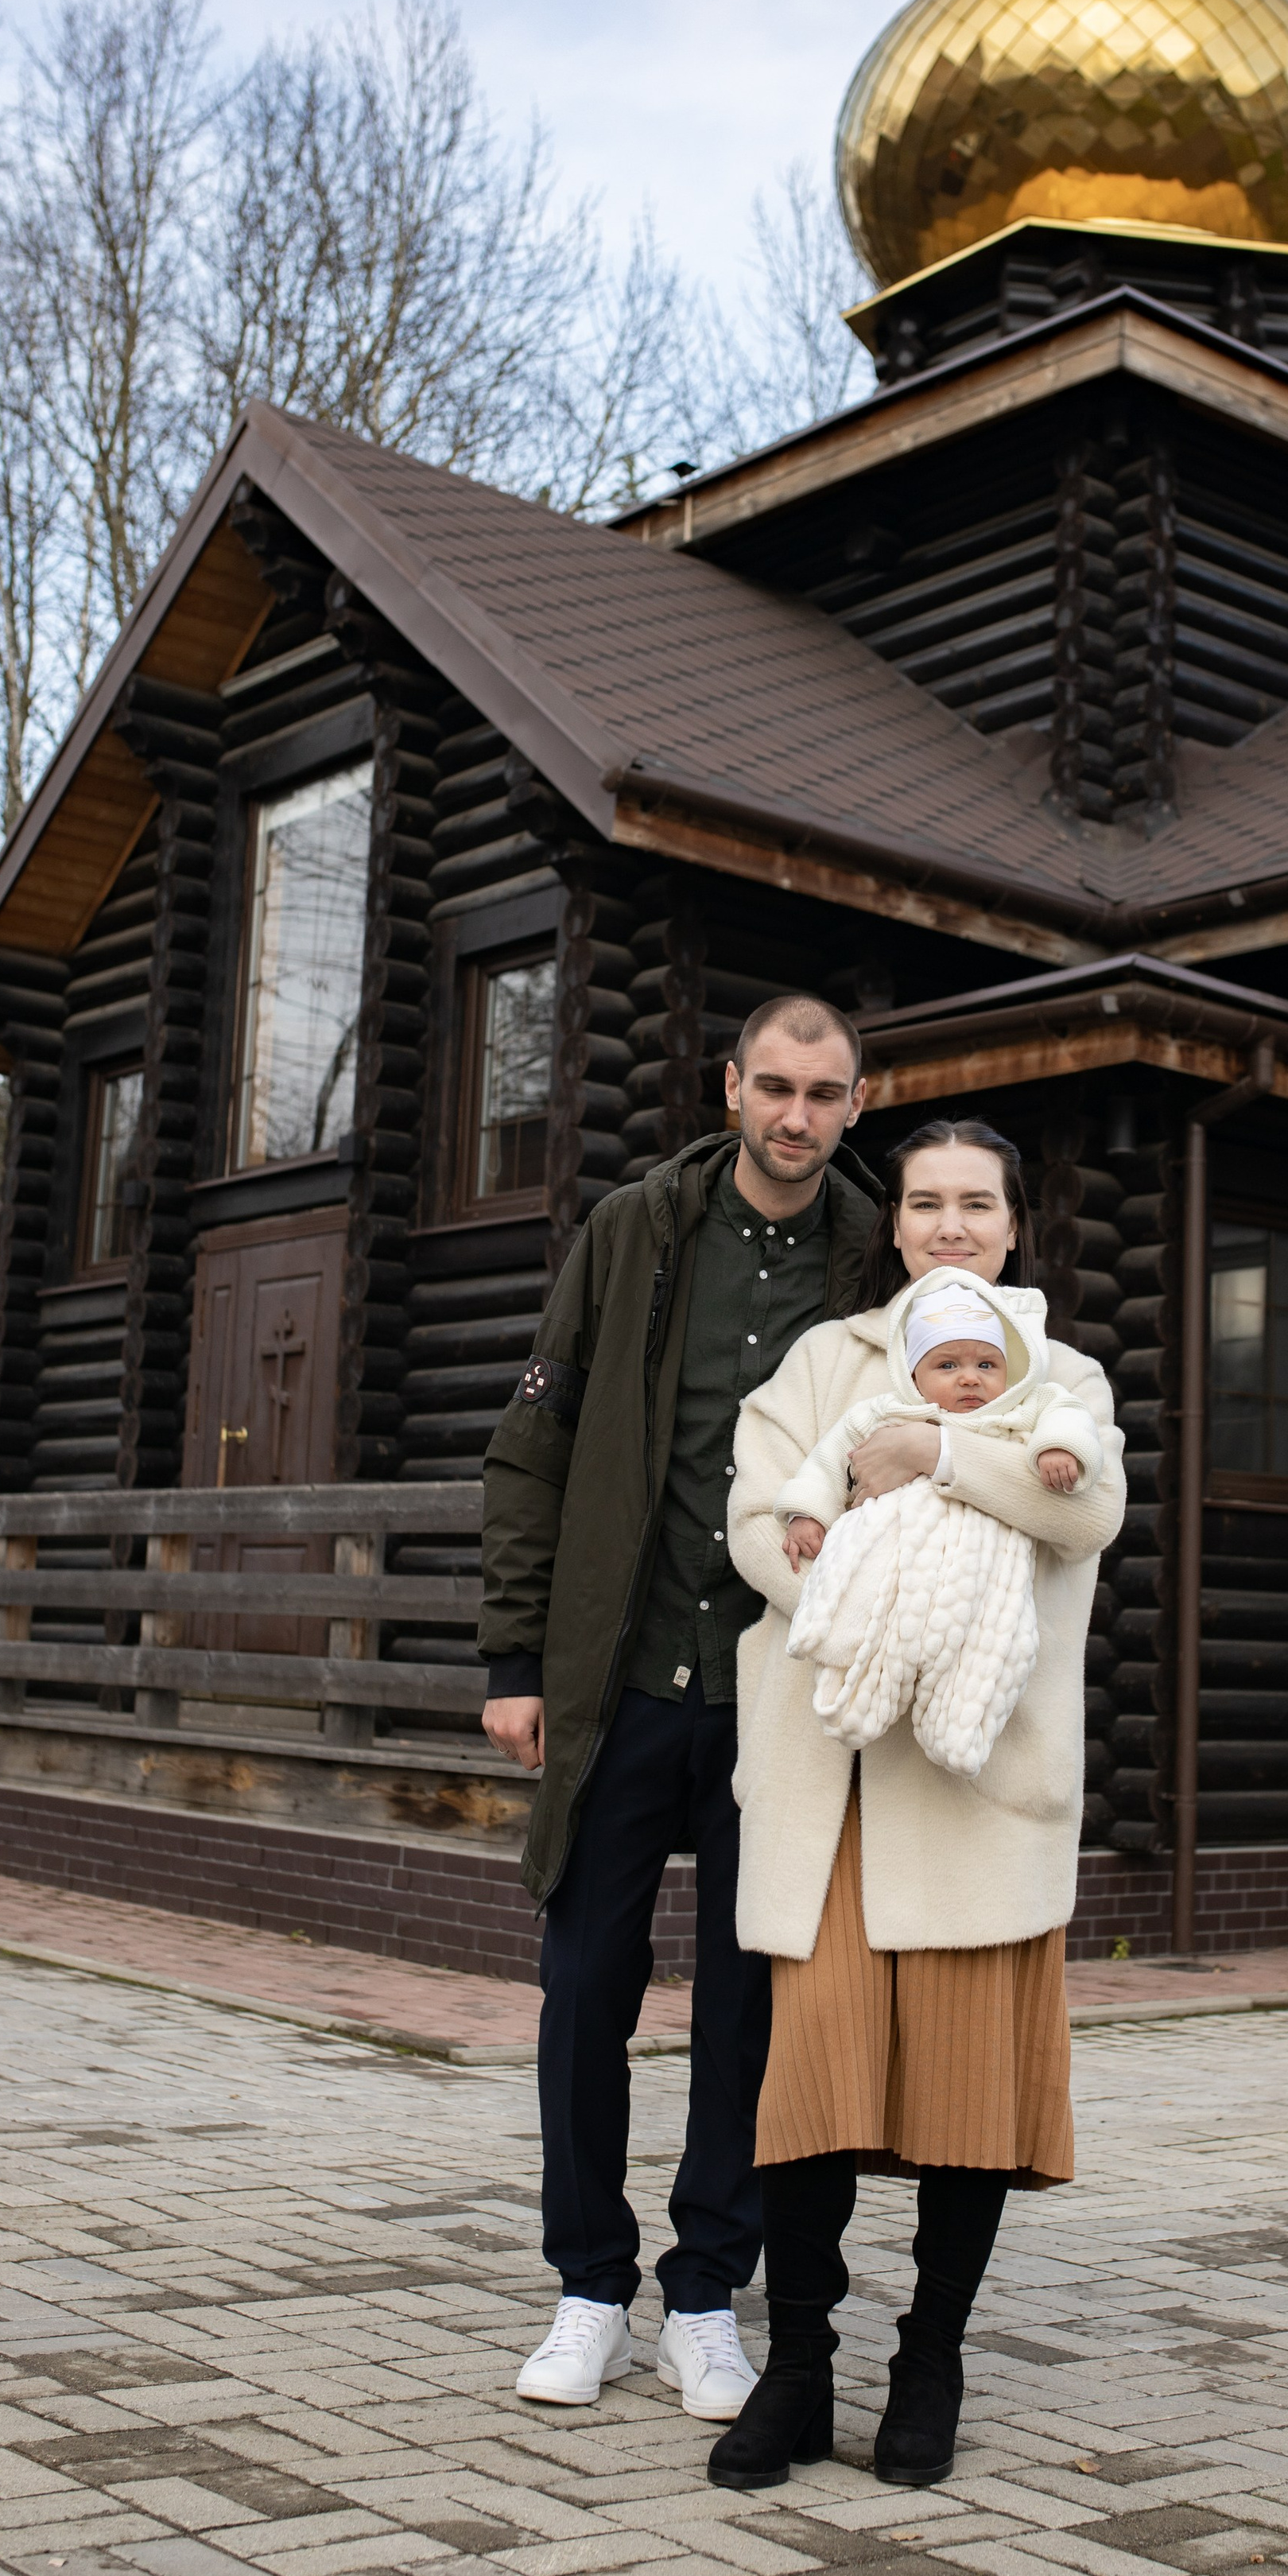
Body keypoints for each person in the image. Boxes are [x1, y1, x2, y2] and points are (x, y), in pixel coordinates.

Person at [479, 997, 880, 2420]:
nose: (796, 1115)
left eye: (824, 1094)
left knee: (748, 2005)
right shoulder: (636, 1233)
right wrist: (515, 1663)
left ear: (855, 1102)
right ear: (730, 1086)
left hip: (783, 1695)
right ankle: (589, 2287)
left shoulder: (874, 1258)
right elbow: (532, 1449)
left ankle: (706, 2294)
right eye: (774, 1086)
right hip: (625, 1677)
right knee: (585, 1988)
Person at [714, 1120, 1126, 2490]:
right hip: (837, 1773)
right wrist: (869, 1571)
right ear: (893, 1225)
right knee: (814, 2085)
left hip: (980, 1781)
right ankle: (802, 2363)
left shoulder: (1062, 1376)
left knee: (966, 2100)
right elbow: (763, 1522)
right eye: (928, 1202)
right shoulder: (825, 1364)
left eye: (979, 1203)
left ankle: (931, 2357)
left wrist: (934, 1461)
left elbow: (1084, 1514)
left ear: (1015, 1225)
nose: (951, 1223)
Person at [775, 1267, 1104, 1775]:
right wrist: (807, 1513)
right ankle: (852, 1705)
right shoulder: (885, 1414)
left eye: (987, 1364)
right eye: (947, 1364)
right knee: (870, 1638)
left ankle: (959, 1732)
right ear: (912, 1375)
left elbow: (1067, 1414)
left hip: (987, 1578)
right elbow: (827, 1458)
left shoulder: (1020, 1409)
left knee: (990, 1648)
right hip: (893, 1576)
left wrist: (1059, 1448)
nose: (970, 1377)